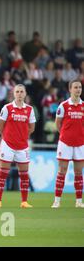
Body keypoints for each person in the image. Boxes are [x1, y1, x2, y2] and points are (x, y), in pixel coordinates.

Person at [0, 84, 36, 208]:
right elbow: (0, 126)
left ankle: (24, 202)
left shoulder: (29, 109)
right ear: (14, 94)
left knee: (24, 174)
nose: (19, 94)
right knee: (3, 173)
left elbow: (32, 128)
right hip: (8, 144)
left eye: (21, 91)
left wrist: (21, 136)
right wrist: (7, 137)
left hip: (22, 146)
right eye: (17, 91)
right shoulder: (7, 108)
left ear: (25, 94)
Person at [52, 80, 84, 208]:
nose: (78, 89)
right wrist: (65, 135)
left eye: (80, 87)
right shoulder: (63, 106)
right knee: (62, 171)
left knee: (78, 172)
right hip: (65, 143)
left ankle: (78, 201)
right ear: (70, 89)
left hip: (80, 144)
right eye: (75, 87)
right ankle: (57, 200)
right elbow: (57, 123)